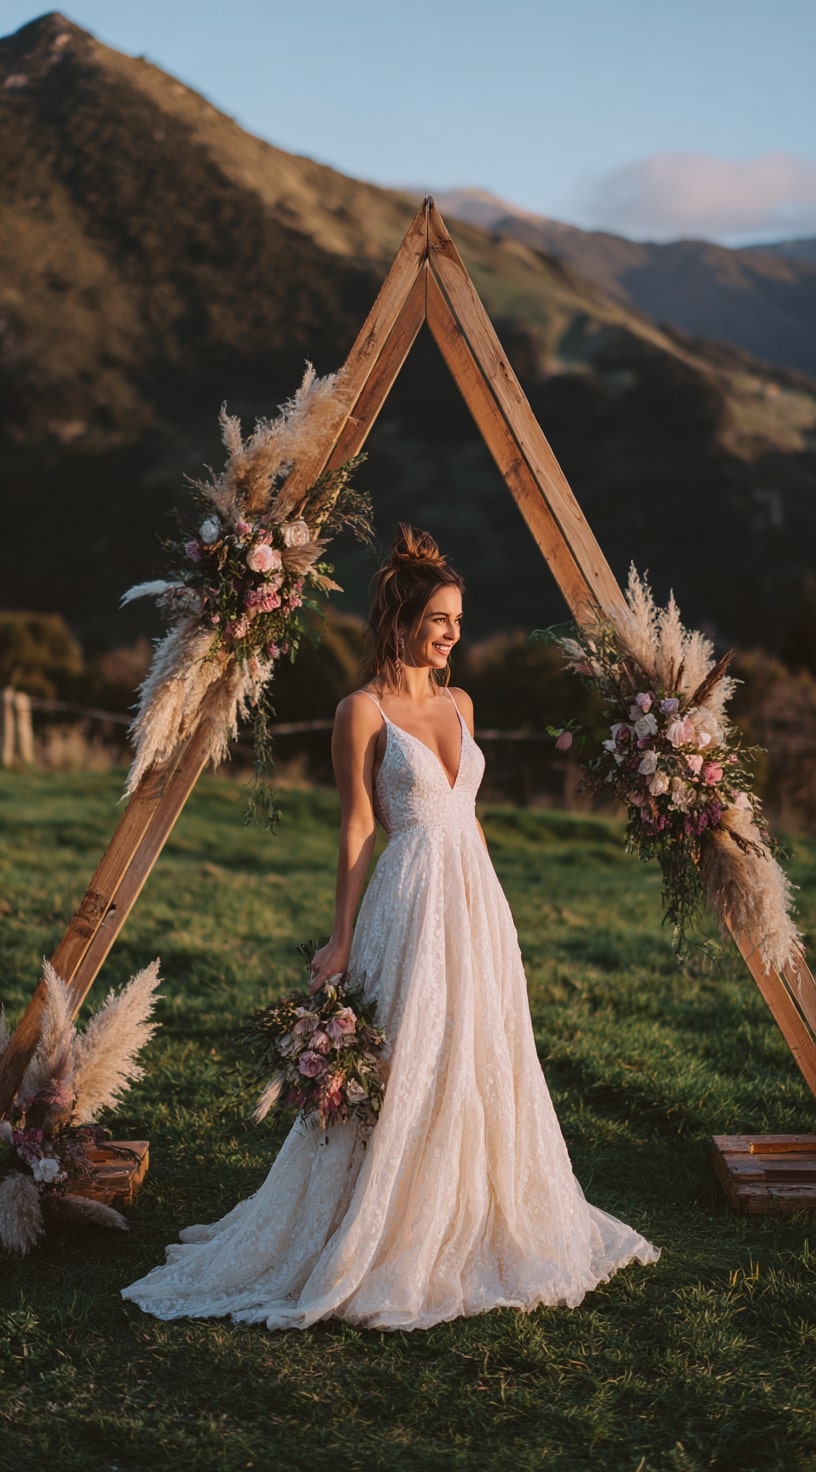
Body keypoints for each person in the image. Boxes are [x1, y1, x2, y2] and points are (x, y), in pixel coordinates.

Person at [122, 525, 659, 1331]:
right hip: (406, 897)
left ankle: (473, 1205)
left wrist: (497, 909)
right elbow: (357, 828)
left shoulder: (462, 702)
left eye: (458, 620)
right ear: (401, 622)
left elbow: (468, 819)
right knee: (406, 1053)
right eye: (439, 619)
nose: (452, 634)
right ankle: (381, 1221)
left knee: (477, 1050)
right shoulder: (360, 711)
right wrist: (338, 938)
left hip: (474, 899)